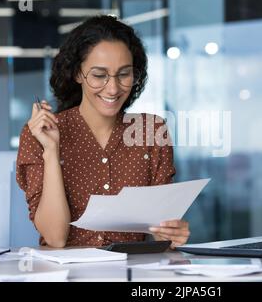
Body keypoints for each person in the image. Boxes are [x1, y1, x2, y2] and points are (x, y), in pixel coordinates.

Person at [16, 15, 190, 248]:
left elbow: (161, 229)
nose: (113, 88)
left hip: (132, 273)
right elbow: (55, 238)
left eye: (124, 74)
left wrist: (171, 234)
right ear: (78, 73)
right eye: (99, 75)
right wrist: (51, 151)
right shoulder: (40, 134)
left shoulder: (151, 130)